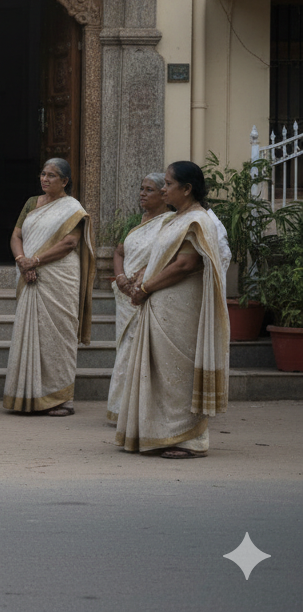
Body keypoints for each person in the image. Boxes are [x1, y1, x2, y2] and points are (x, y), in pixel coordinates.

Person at [112, 161, 230, 458]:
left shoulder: (198, 221)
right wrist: (139, 280)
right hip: (159, 305)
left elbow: (186, 264)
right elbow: (157, 258)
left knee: (178, 373)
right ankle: (158, 434)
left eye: (168, 184)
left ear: (187, 189)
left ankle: (190, 439)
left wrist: (147, 287)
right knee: (160, 373)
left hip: (180, 309)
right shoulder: (174, 219)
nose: (163, 189)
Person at [3, 158, 96, 417]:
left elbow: (70, 243)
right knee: (28, 331)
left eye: (52, 176)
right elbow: (16, 235)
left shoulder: (72, 209)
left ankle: (61, 398)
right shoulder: (32, 203)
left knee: (58, 334)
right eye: (43, 174)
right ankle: (27, 395)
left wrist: (37, 260)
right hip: (28, 272)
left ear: (64, 181)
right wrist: (23, 260)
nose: (45, 179)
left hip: (58, 275)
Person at [107, 173, 172, 423]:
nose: (142, 193)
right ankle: (120, 407)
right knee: (124, 349)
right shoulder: (137, 220)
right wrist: (121, 277)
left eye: (149, 189)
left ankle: (141, 408)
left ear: (164, 194)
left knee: (143, 350)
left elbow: (166, 256)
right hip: (125, 296)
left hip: (149, 294)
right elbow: (119, 251)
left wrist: (142, 280)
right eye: (141, 188)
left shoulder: (170, 222)